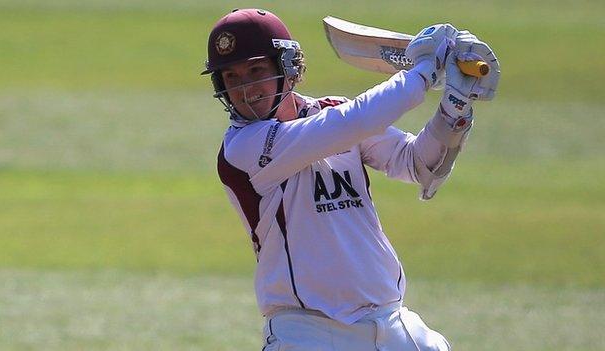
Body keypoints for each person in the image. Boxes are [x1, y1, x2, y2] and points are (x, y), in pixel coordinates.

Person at [202, 8, 499, 351]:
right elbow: (354, 121)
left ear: (287, 67)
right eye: (232, 77)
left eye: (256, 70)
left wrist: (454, 108)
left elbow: (417, 163)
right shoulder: (243, 147)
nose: (245, 88)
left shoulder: (329, 114)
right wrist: (424, 71)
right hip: (307, 333)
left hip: (391, 323)